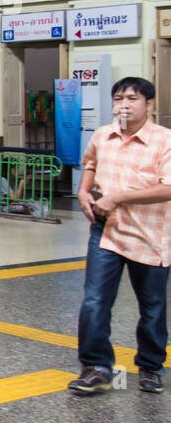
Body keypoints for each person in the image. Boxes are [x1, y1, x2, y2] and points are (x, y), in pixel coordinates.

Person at [69, 77, 171, 395]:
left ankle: (151, 367)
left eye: (132, 99)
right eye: (118, 99)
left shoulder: (164, 140)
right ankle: (96, 366)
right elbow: (90, 164)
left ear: (150, 104)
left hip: (151, 232)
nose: (123, 105)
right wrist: (85, 191)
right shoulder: (103, 135)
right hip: (107, 229)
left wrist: (119, 197)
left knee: (152, 305)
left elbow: (168, 187)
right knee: (95, 301)